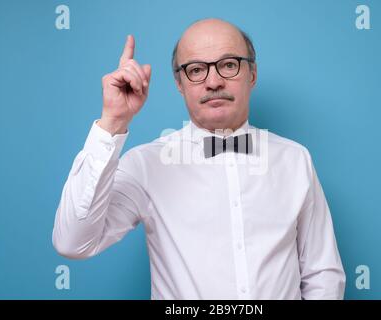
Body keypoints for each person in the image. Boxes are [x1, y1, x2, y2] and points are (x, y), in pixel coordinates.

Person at [52, 18, 346, 299]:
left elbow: (323, 273)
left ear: (252, 75)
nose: (213, 81)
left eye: (229, 65)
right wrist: (113, 121)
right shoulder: (146, 164)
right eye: (196, 70)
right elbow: (73, 242)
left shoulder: (295, 159)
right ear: (180, 83)